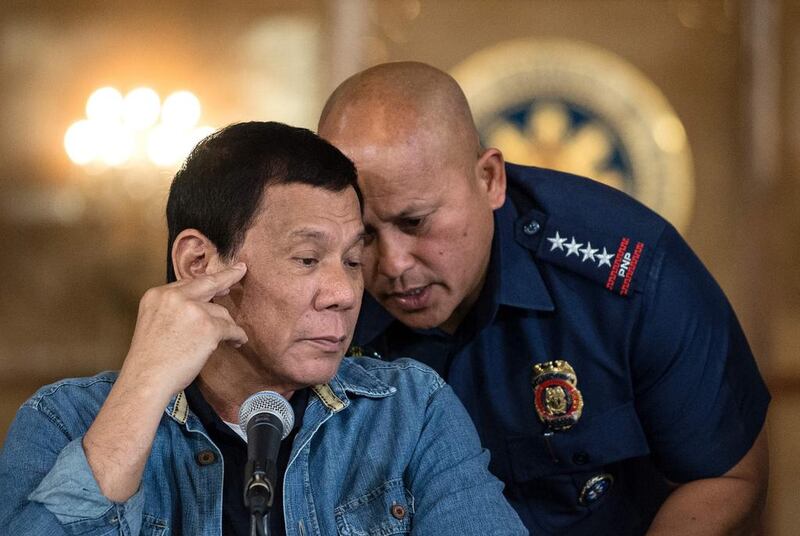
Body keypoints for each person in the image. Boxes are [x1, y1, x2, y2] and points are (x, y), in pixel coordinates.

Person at [0, 121, 527, 535]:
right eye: (306, 259)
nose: (344, 294)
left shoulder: (409, 412)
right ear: (200, 263)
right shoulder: (64, 421)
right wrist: (141, 391)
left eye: (350, 260)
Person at [317, 62, 771, 535]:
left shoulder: (627, 274)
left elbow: (727, 476)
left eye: (415, 223)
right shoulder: (316, 295)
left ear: (490, 179)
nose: (391, 265)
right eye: (363, 235)